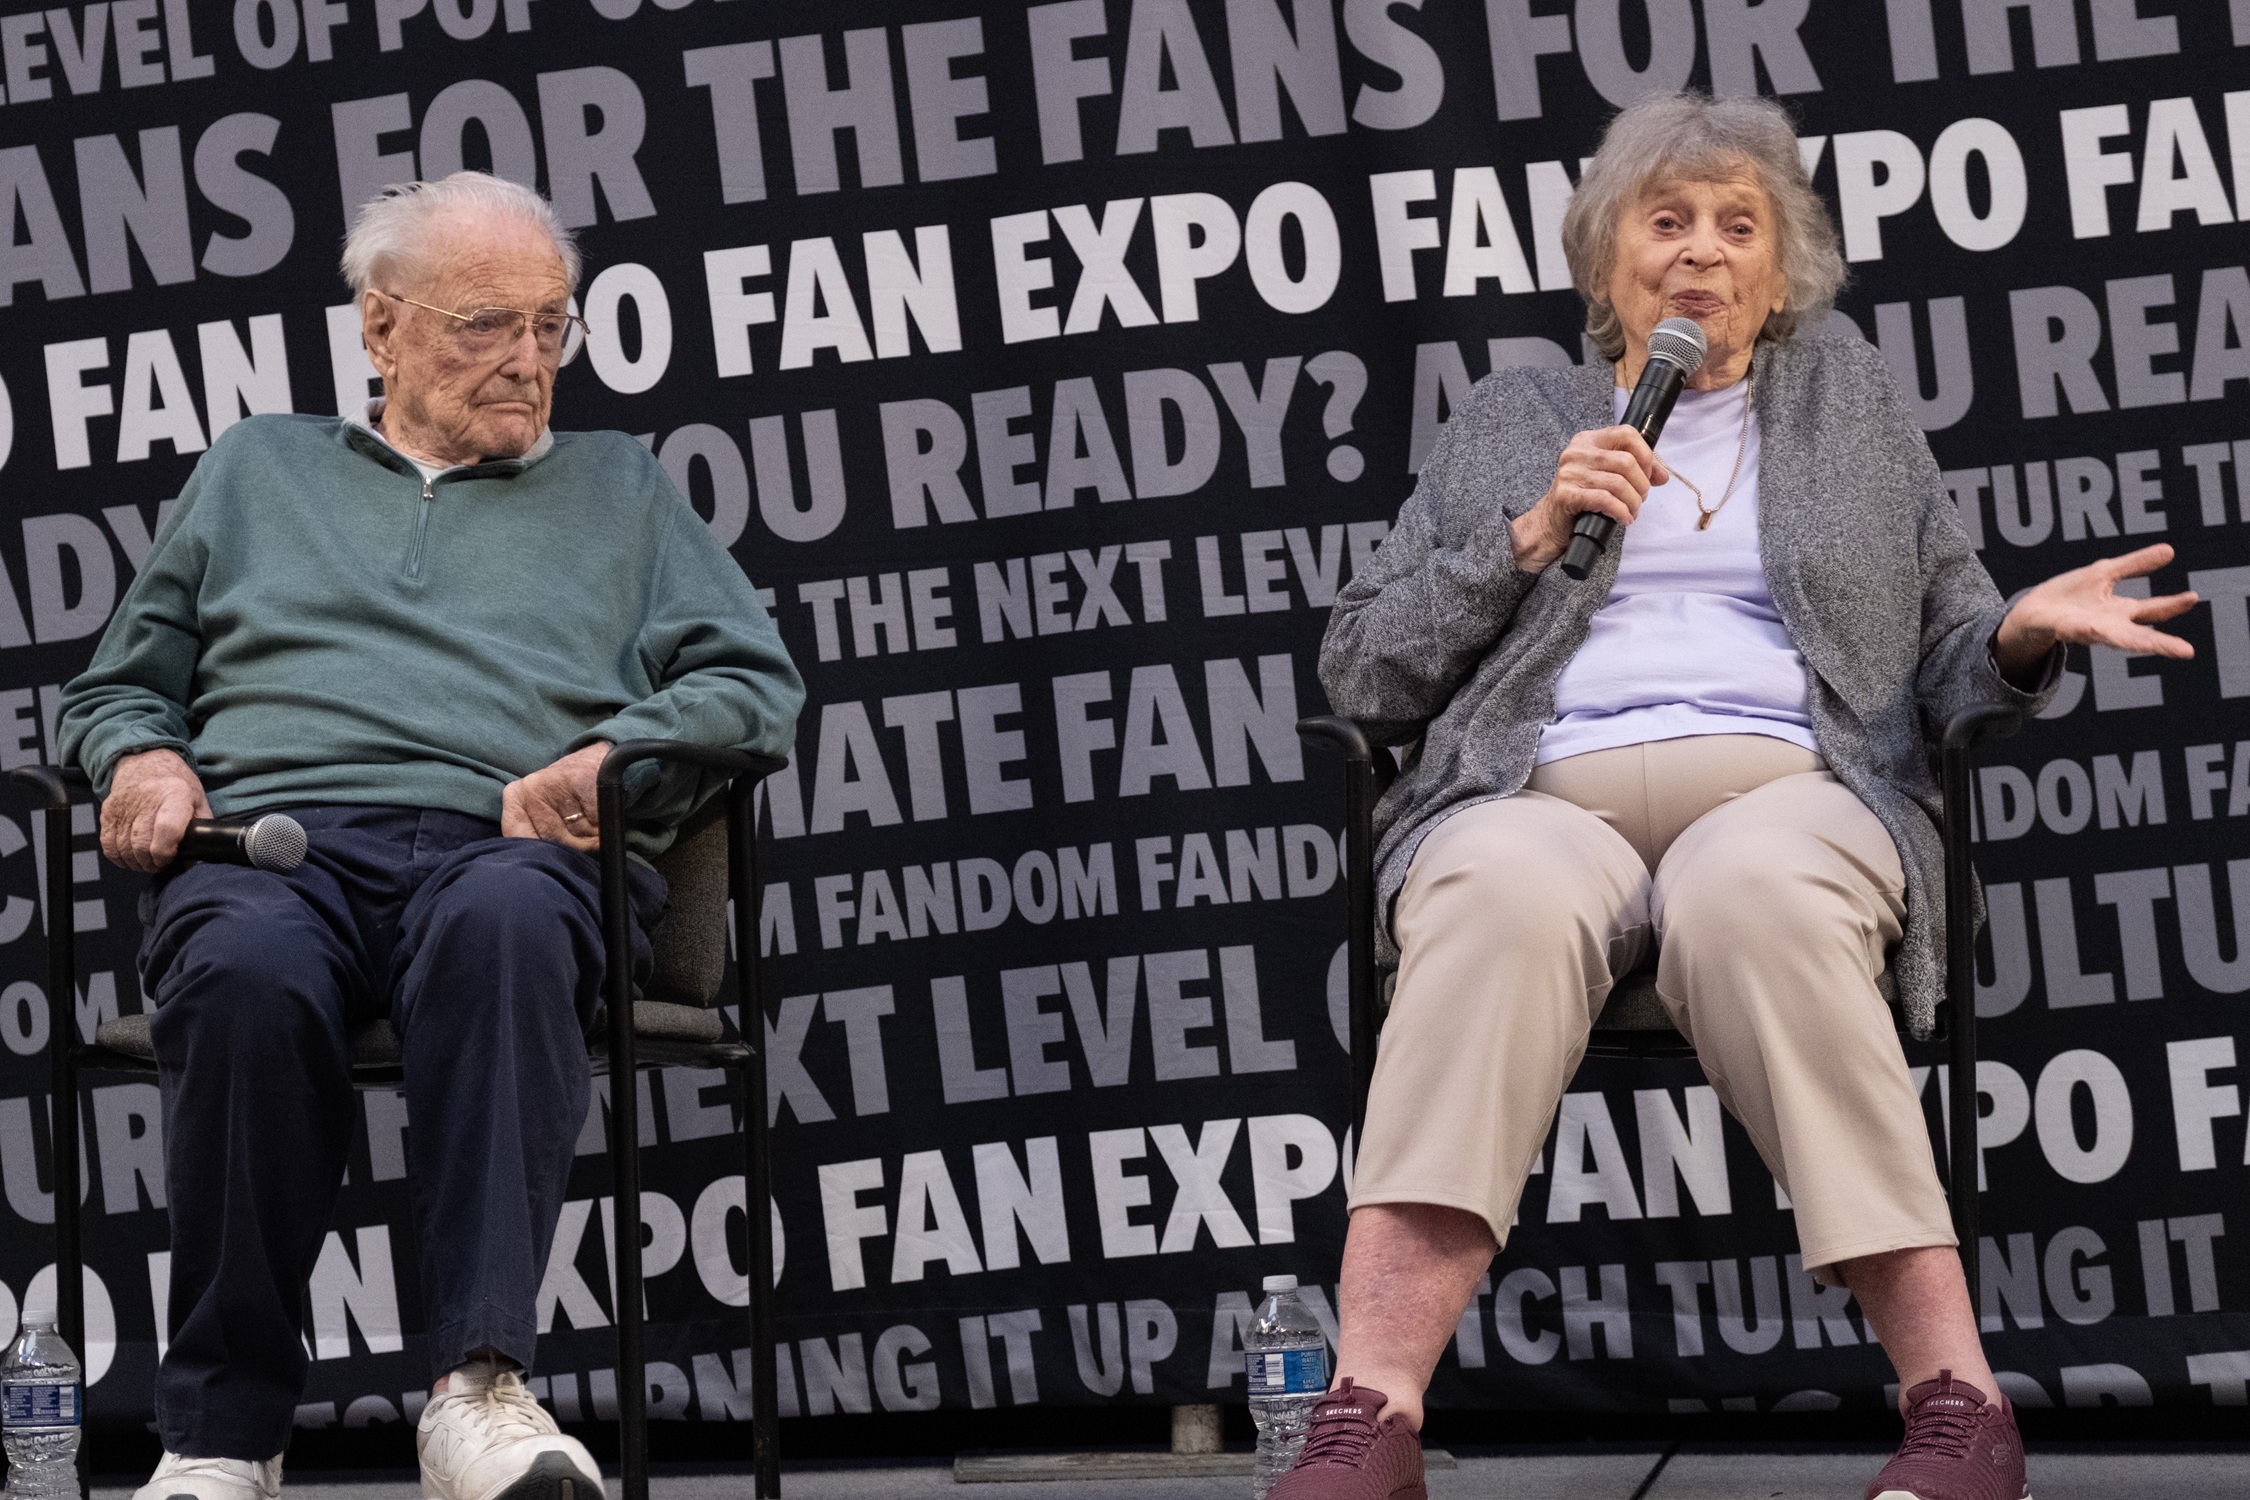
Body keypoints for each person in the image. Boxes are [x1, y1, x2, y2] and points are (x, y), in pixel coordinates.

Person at [1276, 93, 2198, 1500]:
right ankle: (1371, 1418)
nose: (1700, 253)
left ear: (1778, 276)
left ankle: (1957, 1410)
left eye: (1736, 225)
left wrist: (2015, 634)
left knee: (1750, 893)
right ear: (1606, 266)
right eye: (1666, 222)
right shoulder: (1513, 416)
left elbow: (1948, 641)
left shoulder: (1845, 396)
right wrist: (1524, 536)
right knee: (1486, 895)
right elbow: (1361, 669)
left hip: (1791, 787)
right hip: (1537, 791)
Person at [59, 172, 804, 1500]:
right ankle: (223, 1433)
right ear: (380, 326)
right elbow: (117, 687)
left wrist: (607, 760)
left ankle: (477, 1392)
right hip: (281, 845)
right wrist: (142, 753)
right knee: (239, 972)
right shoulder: (255, 472)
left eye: (550, 326)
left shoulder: (619, 490)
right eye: (483, 326)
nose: (527, 362)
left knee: (506, 921)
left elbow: (756, 689)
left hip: (512, 848)